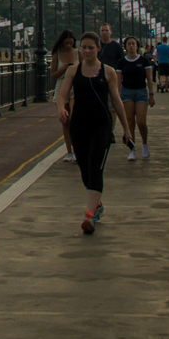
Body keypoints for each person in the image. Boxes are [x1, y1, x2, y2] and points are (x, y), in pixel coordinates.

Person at [56, 31, 132, 234]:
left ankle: (89, 215)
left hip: (101, 125)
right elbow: (62, 95)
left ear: (98, 49)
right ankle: (97, 205)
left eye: (91, 48)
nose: (87, 51)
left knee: (95, 166)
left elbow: (116, 101)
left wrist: (126, 128)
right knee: (85, 170)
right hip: (79, 125)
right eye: (84, 48)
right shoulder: (73, 71)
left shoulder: (108, 72)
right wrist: (61, 109)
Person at [94, 23, 135, 153]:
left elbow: (121, 63)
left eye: (106, 30)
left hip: (112, 79)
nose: (104, 33)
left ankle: (110, 131)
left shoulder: (116, 47)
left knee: (112, 107)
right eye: (102, 30)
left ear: (110, 32)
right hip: (97, 78)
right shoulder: (98, 46)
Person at [113, 35, 155, 160]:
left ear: (137, 46)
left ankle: (145, 144)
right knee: (129, 122)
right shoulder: (121, 62)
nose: (131, 46)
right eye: (129, 44)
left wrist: (151, 94)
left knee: (141, 122)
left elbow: (149, 78)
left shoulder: (144, 61)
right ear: (125, 47)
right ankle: (132, 149)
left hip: (141, 92)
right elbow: (118, 81)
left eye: (133, 44)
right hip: (127, 93)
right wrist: (116, 96)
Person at [49, 30, 78, 161]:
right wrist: (65, 68)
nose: (68, 46)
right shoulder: (57, 54)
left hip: (76, 86)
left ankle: (77, 150)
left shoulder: (78, 54)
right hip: (62, 86)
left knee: (74, 119)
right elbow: (53, 75)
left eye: (71, 43)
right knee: (65, 121)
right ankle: (69, 152)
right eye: (66, 43)